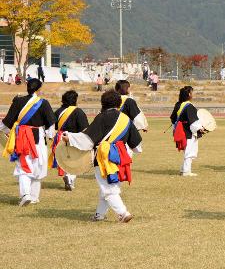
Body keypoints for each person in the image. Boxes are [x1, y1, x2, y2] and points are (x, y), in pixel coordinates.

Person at [63, 90, 142, 222]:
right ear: (118, 102)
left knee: (108, 188)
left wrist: (69, 138)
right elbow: (136, 144)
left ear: (103, 102)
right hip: (119, 156)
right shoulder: (126, 119)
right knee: (108, 186)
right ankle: (99, 215)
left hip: (102, 157)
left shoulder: (101, 117)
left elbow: (87, 139)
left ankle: (123, 213)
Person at [1, 78, 56, 206]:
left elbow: (6, 122)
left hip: (21, 138)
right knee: (38, 167)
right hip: (39, 140)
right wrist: (50, 135)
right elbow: (51, 124)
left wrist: (3, 132)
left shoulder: (18, 101)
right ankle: (33, 197)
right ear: (39, 89)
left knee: (23, 166)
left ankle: (26, 195)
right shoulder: (44, 103)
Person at [51, 90, 89, 191]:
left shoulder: (58, 111)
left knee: (66, 159)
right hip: (73, 138)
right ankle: (70, 178)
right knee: (75, 161)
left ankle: (68, 178)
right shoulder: (78, 111)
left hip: (60, 138)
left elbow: (52, 125)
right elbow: (84, 128)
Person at [170, 86, 207, 176]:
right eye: (192, 93)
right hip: (188, 131)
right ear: (189, 94)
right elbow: (193, 121)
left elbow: (173, 118)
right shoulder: (189, 106)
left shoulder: (178, 105)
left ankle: (183, 169)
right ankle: (186, 171)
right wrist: (200, 128)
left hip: (180, 130)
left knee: (187, 151)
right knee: (190, 151)